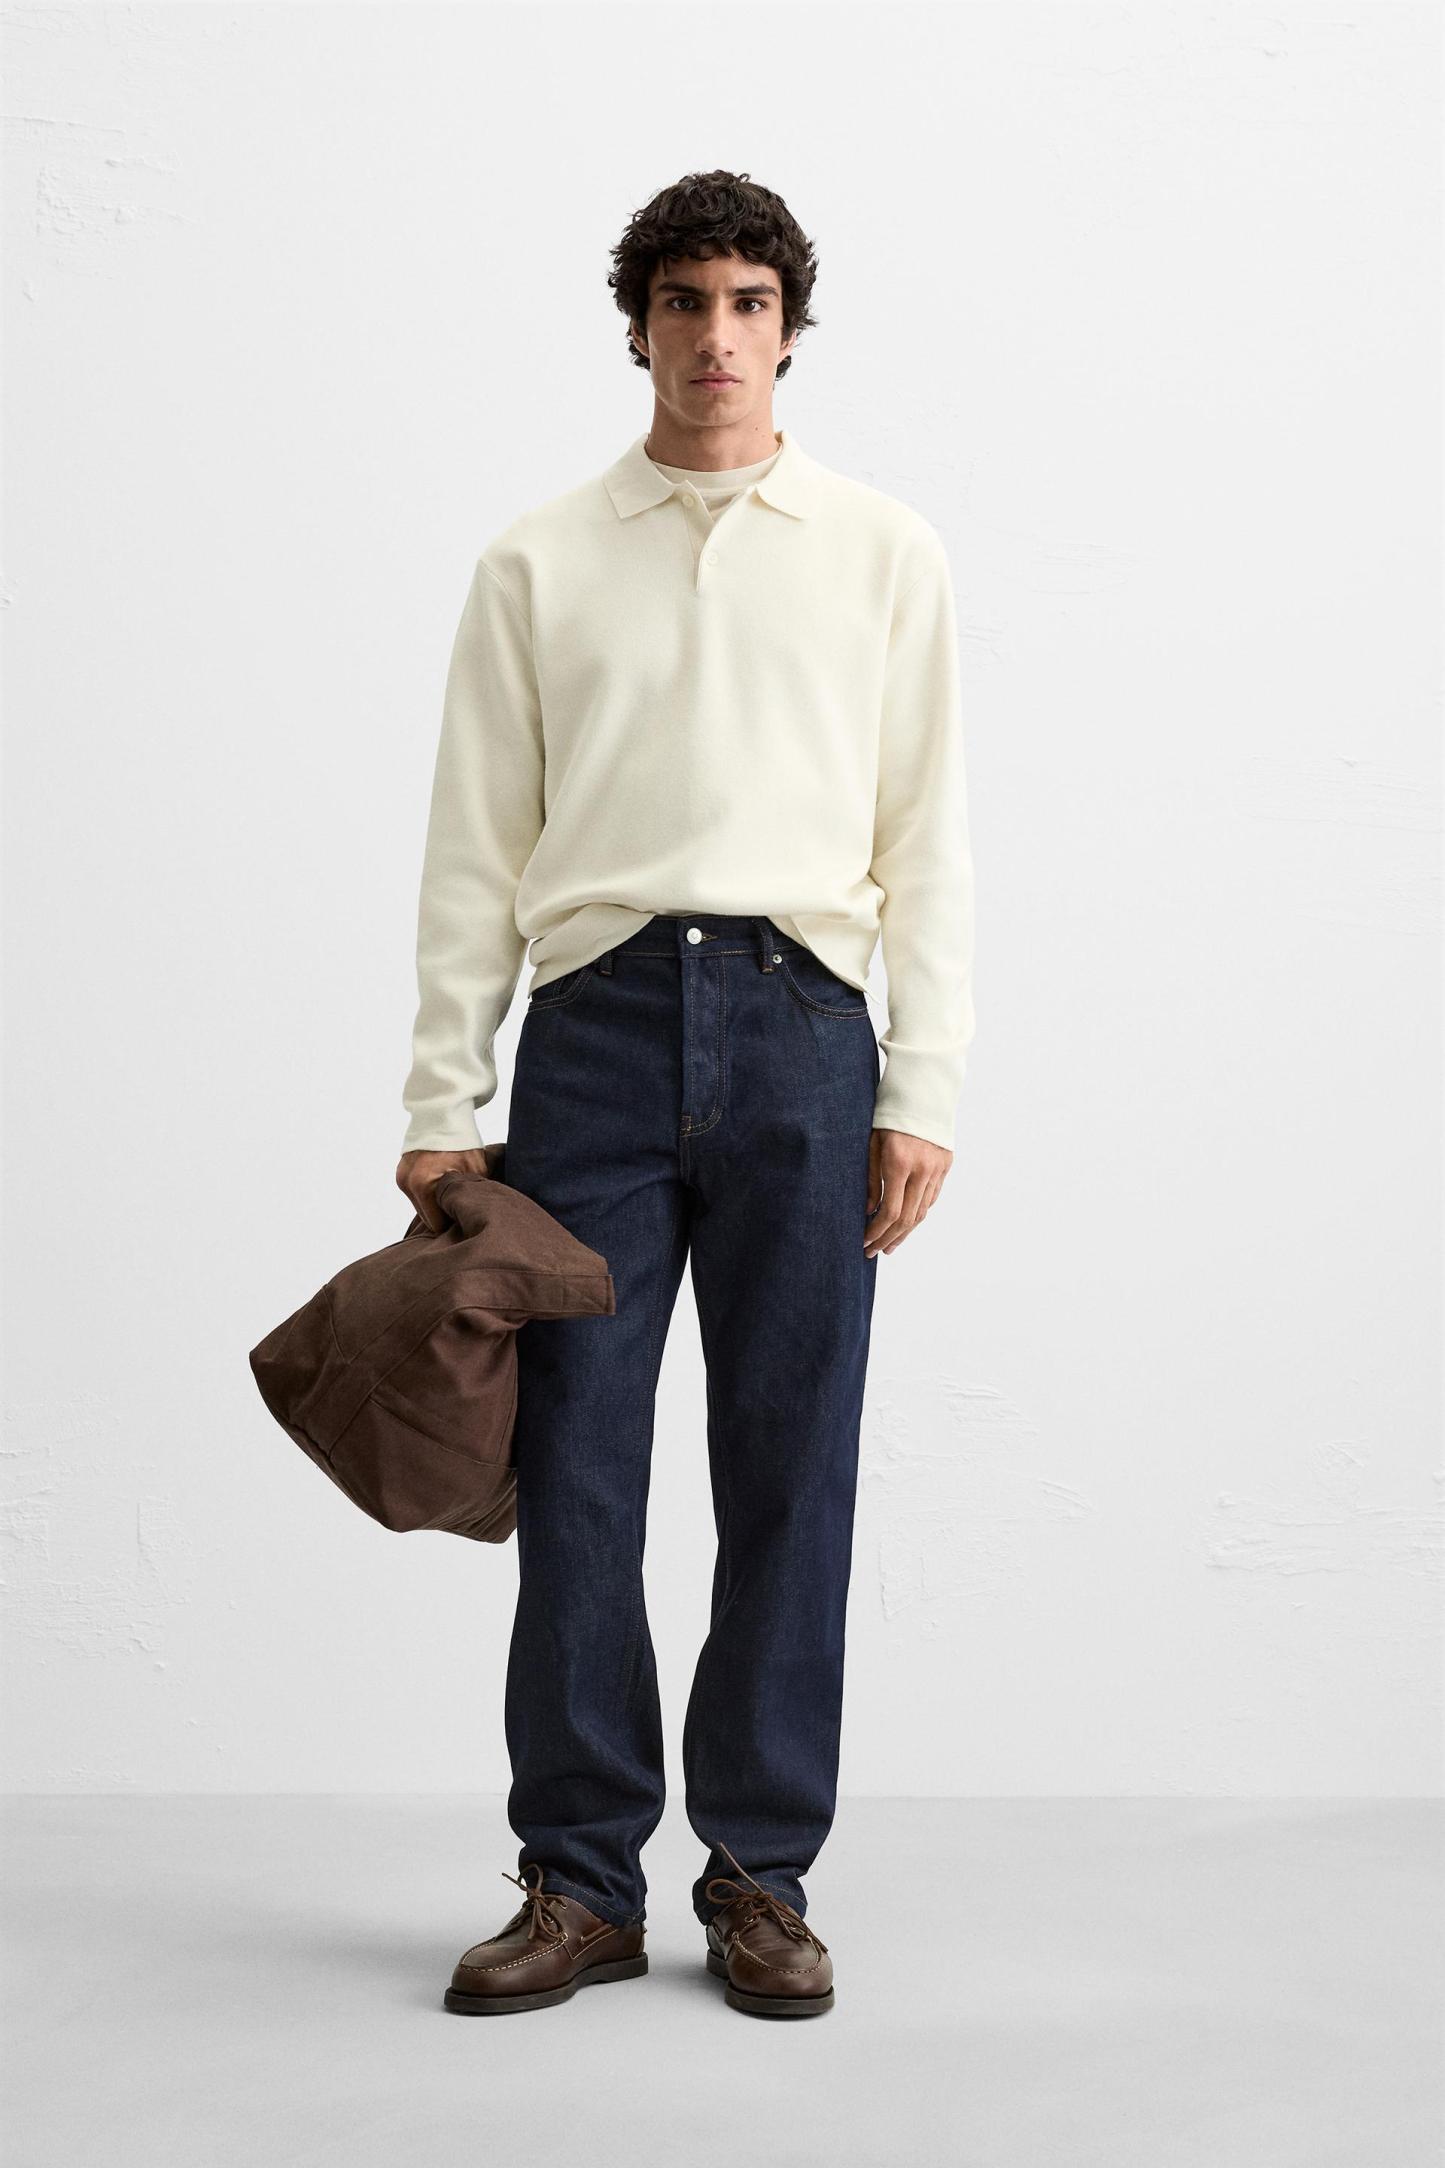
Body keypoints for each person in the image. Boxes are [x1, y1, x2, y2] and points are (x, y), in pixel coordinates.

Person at [395, 168, 976, 2019]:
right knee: (575, 1464)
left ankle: (759, 1875)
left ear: (788, 330)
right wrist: (441, 1094)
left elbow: (928, 837)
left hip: (808, 1027)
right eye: (681, 302)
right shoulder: (538, 561)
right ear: (635, 326)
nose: (714, 335)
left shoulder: (880, 549)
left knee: (791, 1462)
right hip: (594, 1032)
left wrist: (922, 1083)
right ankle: (579, 1881)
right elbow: (474, 847)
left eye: (746, 303)